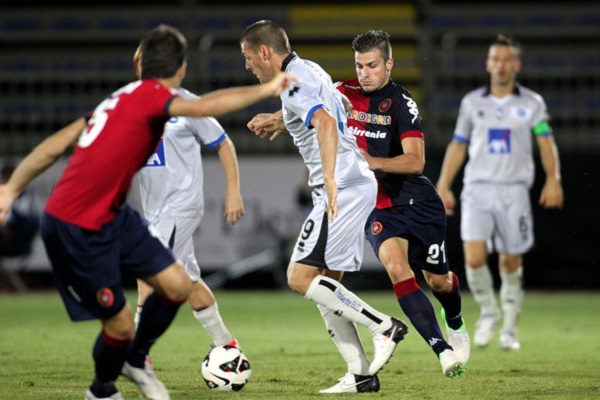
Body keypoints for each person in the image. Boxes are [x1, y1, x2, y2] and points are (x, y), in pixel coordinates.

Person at [0, 24, 295, 400]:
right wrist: (266, 89)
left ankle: (138, 359)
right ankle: (105, 389)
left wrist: (13, 186)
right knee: (122, 323)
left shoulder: (118, 99)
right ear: (181, 69)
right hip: (77, 224)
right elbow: (206, 106)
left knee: (173, 284)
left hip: (120, 214)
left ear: (143, 65)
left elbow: (54, 145)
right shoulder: (152, 98)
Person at [248, 30, 469, 379]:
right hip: (375, 205)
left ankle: (450, 320)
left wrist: (369, 163)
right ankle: (431, 352)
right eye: (359, 65)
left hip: (413, 200)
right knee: (390, 270)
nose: (365, 73)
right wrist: (279, 120)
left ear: (389, 64)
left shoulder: (401, 103)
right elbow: (314, 104)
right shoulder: (341, 89)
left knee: (440, 282)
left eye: (372, 66)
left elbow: (415, 162)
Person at [241, 20, 408, 394]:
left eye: (248, 57)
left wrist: (329, 178)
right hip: (354, 183)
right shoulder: (309, 68)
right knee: (326, 284)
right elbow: (339, 102)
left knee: (299, 278)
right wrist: (281, 120)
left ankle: (384, 327)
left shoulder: (293, 80)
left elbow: (327, 121)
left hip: (341, 186)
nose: (247, 65)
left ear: (265, 52)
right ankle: (361, 373)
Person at [436, 34, 564, 351]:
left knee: (509, 261)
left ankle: (508, 326)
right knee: (474, 258)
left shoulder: (531, 103)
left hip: (514, 191)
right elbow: (458, 145)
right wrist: (443, 184)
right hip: (477, 189)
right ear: (488, 64)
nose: (501, 65)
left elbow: (545, 141)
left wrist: (554, 179)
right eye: (495, 59)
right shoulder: (472, 103)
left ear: (515, 65)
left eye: (506, 60)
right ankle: (489, 312)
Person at [131, 46, 242, 359]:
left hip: (180, 205)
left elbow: (223, 144)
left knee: (147, 272)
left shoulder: (186, 104)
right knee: (190, 282)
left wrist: (233, 191)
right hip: (154, 210)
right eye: (142, 63)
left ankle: (138, 354)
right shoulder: (133, 107)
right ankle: (226, 344)